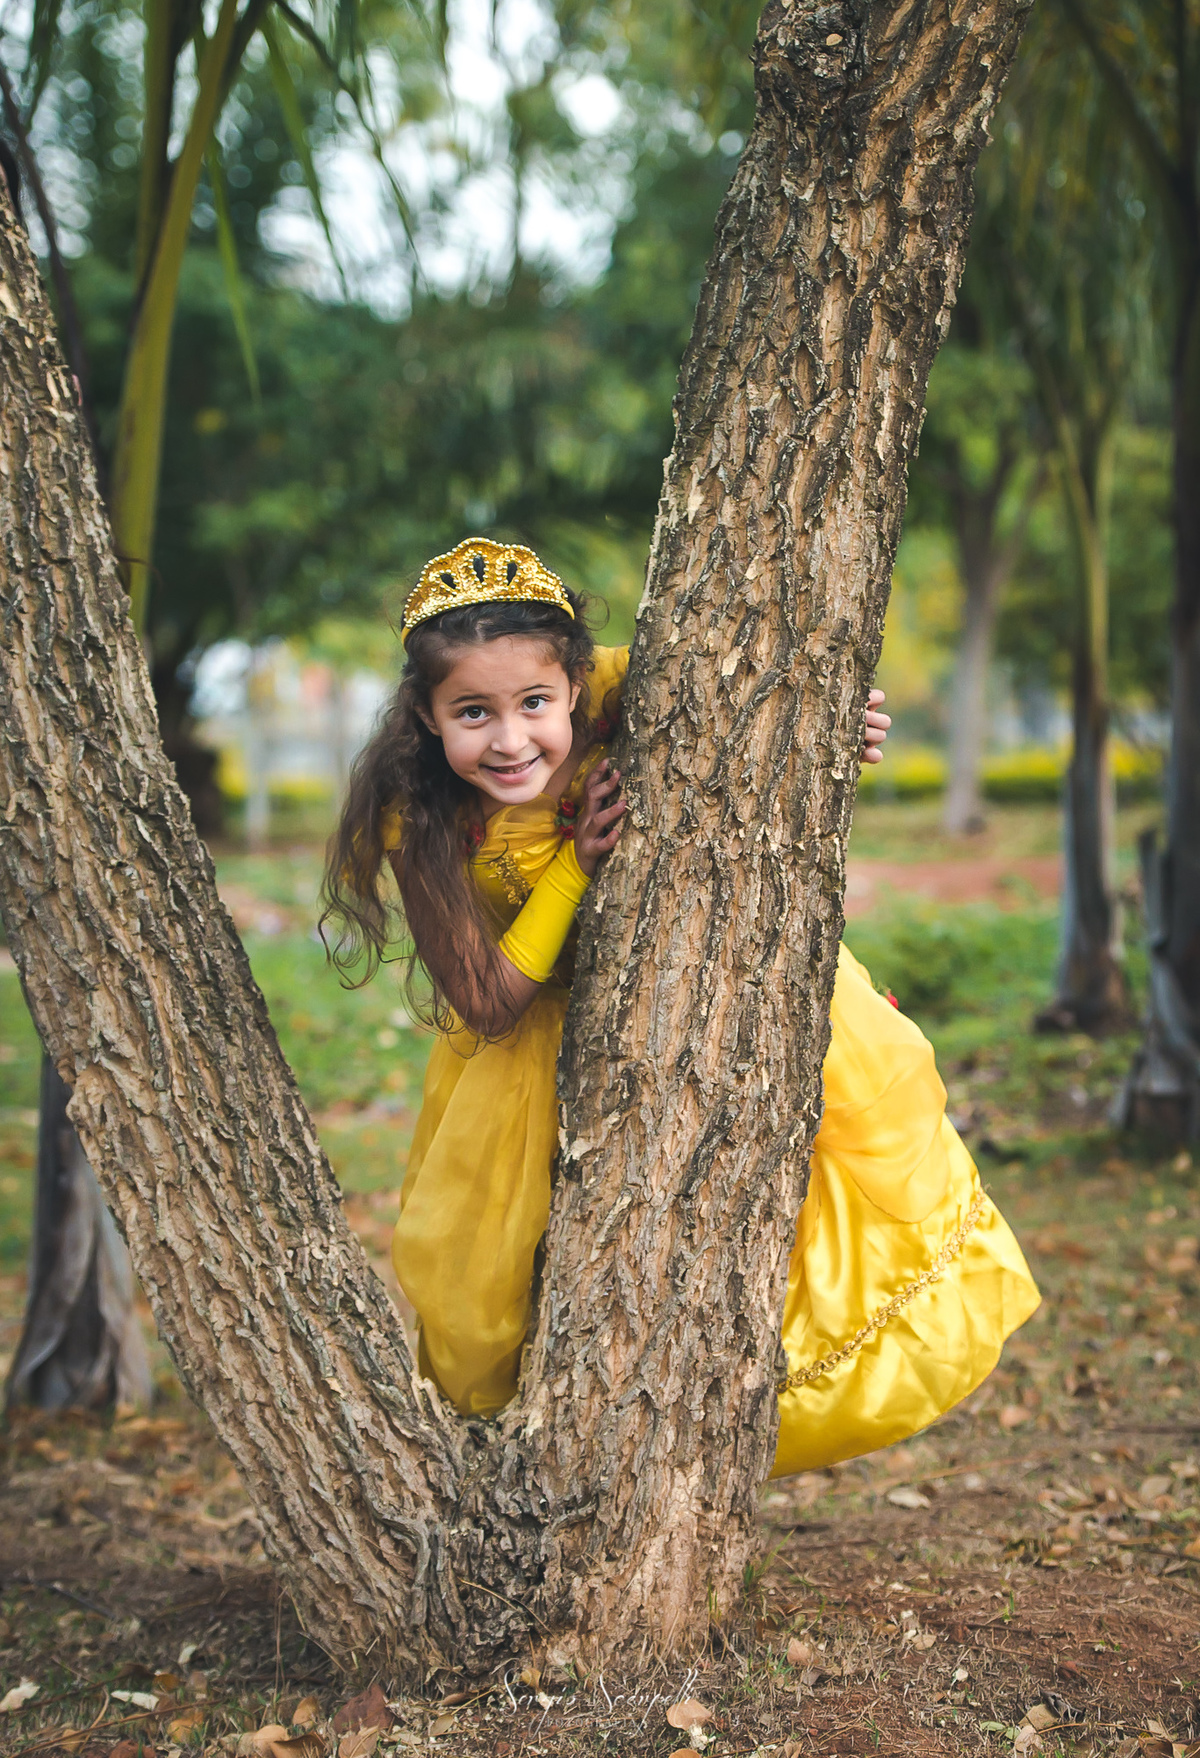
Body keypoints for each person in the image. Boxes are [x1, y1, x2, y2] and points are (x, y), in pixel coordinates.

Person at [322, 538, 1039, 1475]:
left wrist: (830, 726)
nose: (509, 739)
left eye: (534, 703)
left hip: (702, 1001)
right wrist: (574, 868)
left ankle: (755, 1399)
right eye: (472, 713)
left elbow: (764, 713)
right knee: (553, 1273)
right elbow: (488, 1000)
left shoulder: (628, 688)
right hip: (537, 1056)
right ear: (426, 714)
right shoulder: (418, 814)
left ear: (574, 682)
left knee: (790, 1198)